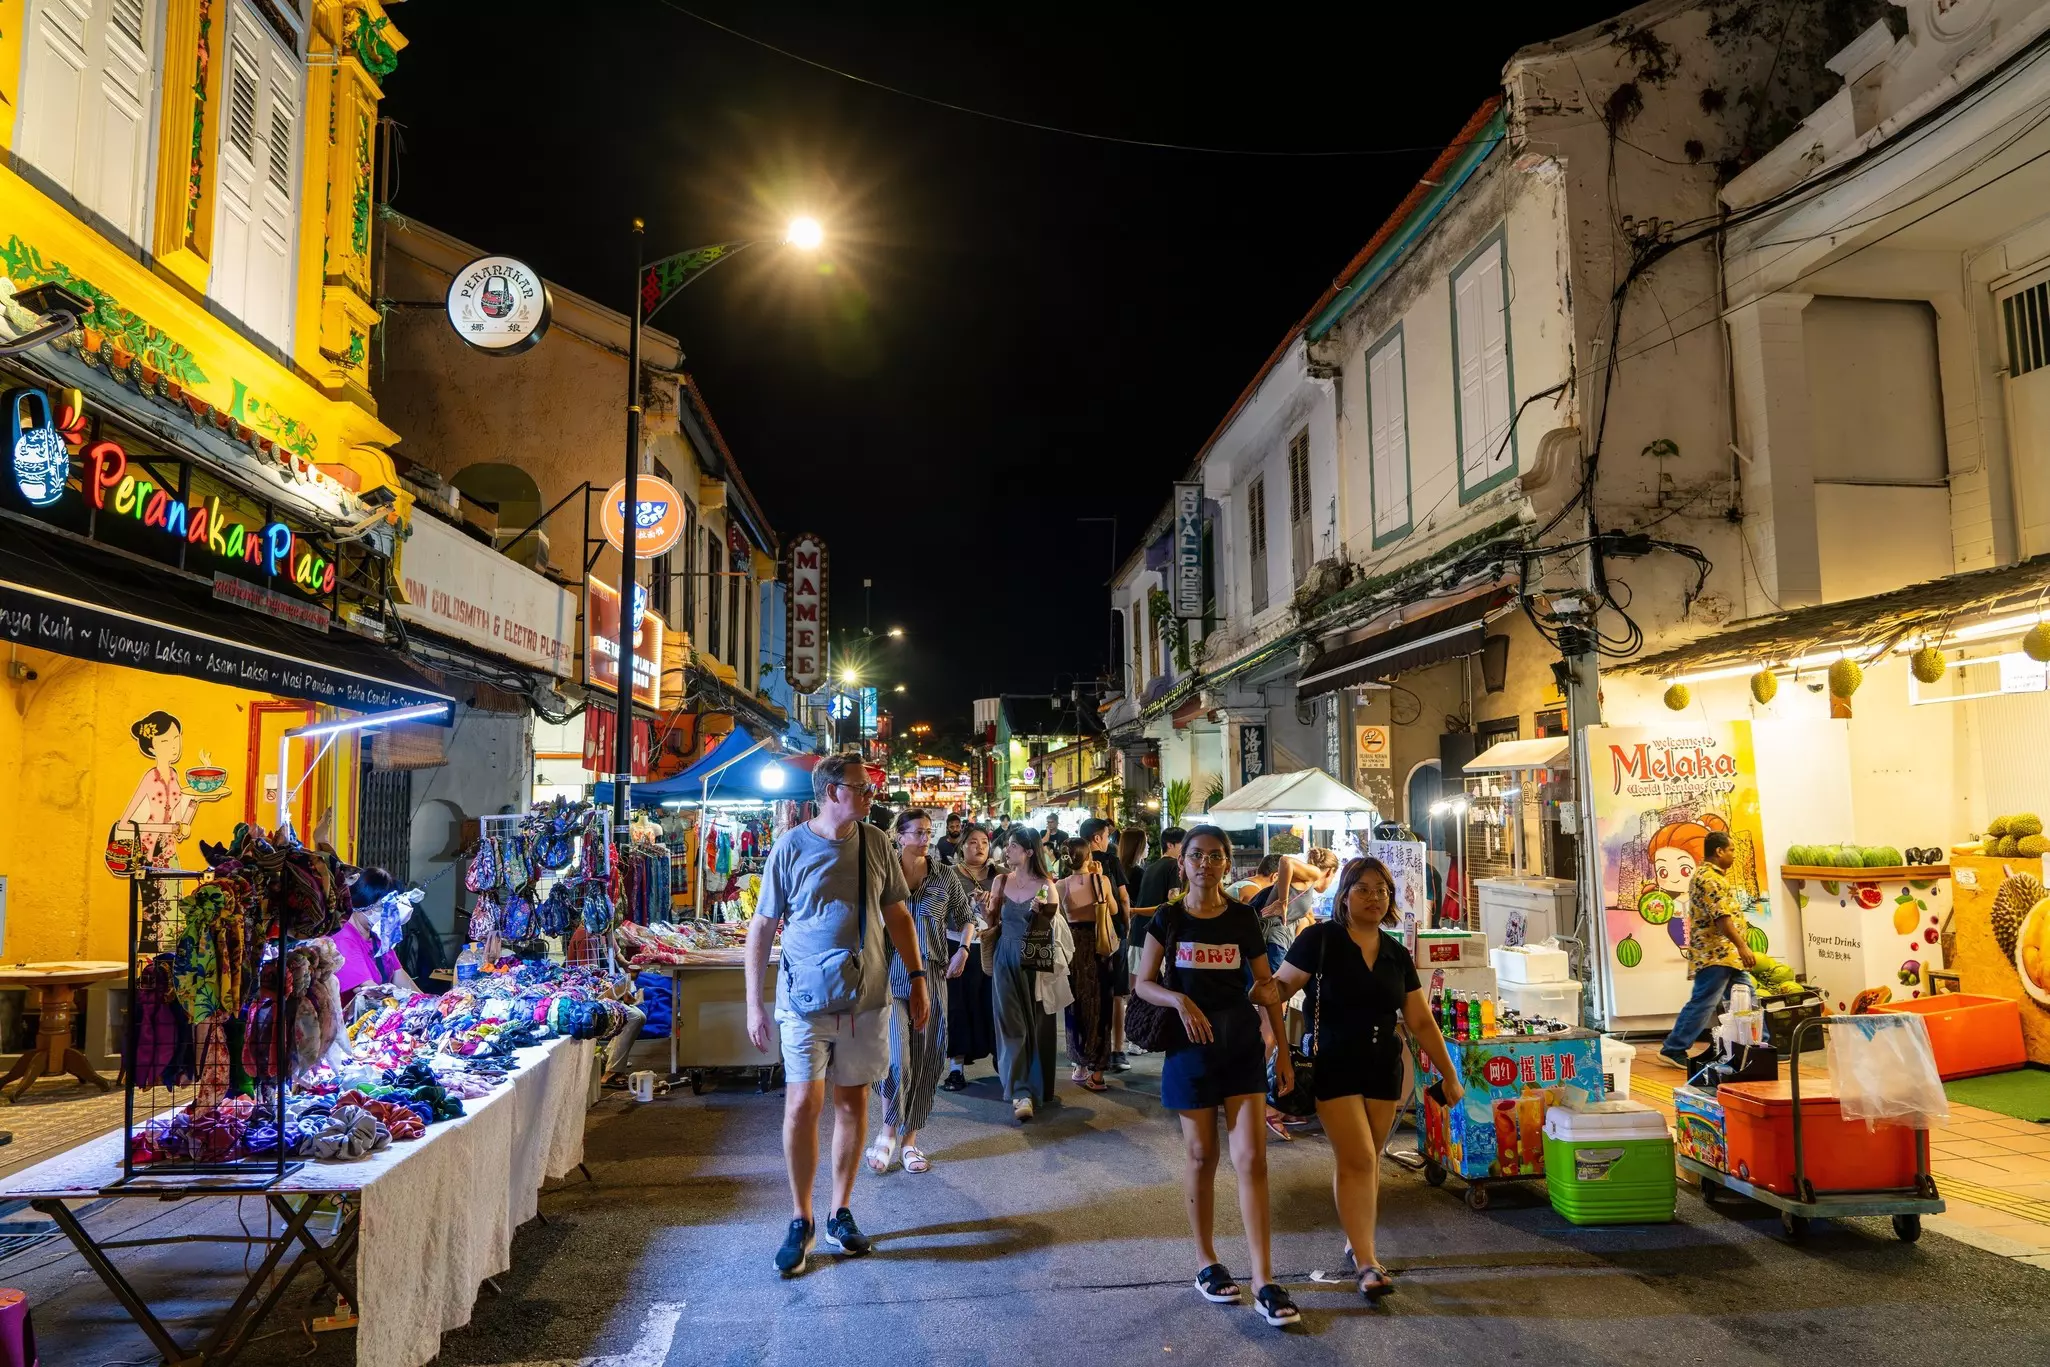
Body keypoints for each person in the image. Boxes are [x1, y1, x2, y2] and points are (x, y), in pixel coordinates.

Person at [744, 754, 930, 1278]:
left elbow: (897, 912)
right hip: (804, 1002)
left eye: (870, 789)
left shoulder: (876, 844)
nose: (870, 796)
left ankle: (838, 1211)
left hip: (867, 998)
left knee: (853, 1103)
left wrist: (916, 978)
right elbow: (763, 925)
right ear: (831, 792)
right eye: (861, 788)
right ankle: (800, 1216)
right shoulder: (790, 847)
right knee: (804, 1103)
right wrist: (754, 1002)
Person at [1258, 857, 1463, 1300]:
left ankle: (1357, 1241)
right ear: (1344, 895)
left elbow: (1420, 1020)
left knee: (1364, 1160)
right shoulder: (1320, 940)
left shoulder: (1395, 953)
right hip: (1335, 1063)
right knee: (1359, 1160)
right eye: (1364, 889)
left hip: (1383, 1067)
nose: (1374, 897)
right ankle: (1368, 1264)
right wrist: (1263, 995)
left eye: (1382, 890)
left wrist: (1448, 1072)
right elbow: (1281, 988)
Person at [1134, 825, 1301, 1329]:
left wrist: (1285, 1054)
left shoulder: (1244, 918)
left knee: (1252, 1159)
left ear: (1227, 864)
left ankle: (1264, 1279)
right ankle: (1207, 1262)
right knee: (1202, 1155)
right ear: (1181, 863)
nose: (1205, 864)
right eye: (1196, 856)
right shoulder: (1167, 919)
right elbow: (1141, 984)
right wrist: (1178, 998)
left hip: (1241, 1049)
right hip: (1190, 1051)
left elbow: (1267, 988)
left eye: (1215, 856)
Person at [869, 810, 972, 1174]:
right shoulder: (882, 874)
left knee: (928, 1060)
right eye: (917, 832)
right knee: (897, 1060)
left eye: (929, 832)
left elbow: (966, 916)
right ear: (899, 835)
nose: (925, 838)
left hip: (932, 975)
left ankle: (910, 1141)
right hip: (889, 974)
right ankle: (886, 1133)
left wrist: (963, 949)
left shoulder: (945, 876)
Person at [978, 826, 1071, 1122]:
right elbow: (991, 919)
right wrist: (983, 908)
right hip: (1005, 956)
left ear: (1030, 851)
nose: (1008, 850)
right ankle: (1020, 1091)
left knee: (1037, 1023)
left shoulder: (1046, 884)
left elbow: (1051, 924)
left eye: (1014, 846)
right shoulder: (1001, 880)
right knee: (1011, 1024)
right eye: (1008, 845)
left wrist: (1042, 910)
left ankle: (1035, 1086)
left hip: (1034, 961)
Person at [1659, 829, 1756, 1074]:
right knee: (1703, 1002)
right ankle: (1673, 1048)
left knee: (1747, 997)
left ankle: (1757, 1046)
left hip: (1725, 955)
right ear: (1719, 851)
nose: (1734, 855)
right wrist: (1742, 946)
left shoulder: (1712, 876)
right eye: (1731, 850)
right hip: (1716, 954)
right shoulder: (1709, 879)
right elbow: (1722, 919)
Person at [1058, 837, 1119, 1092]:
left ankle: (1080, 1063)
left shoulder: (1060, 885)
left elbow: (1057, 916)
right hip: (1100, 944)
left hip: (1073, 945)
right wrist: (1100, 880)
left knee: (1076, 1005)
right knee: (1102, 1004)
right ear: (1088, 857)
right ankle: (1098, 1072)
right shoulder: (1101, 881)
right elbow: (1114, 910)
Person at [942, 824, 1000, 1091]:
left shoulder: (1000, 876)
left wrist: (992, 906)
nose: (980, 847)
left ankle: (1004, 1064)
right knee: (958, 1007)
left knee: (993, 1006)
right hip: (956, 946)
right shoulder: (948, 875)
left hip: (991, 947)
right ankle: (956, 1068)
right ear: (962, 846)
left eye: (984, 843)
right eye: (974, 842)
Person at [333, 867, 422, 1009]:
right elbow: (369, 990)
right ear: (364, 905)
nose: (388, 913)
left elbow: (399, 975)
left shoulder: (377, 936)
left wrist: (426, 1001)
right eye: (382, 907)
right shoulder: (343, 939)